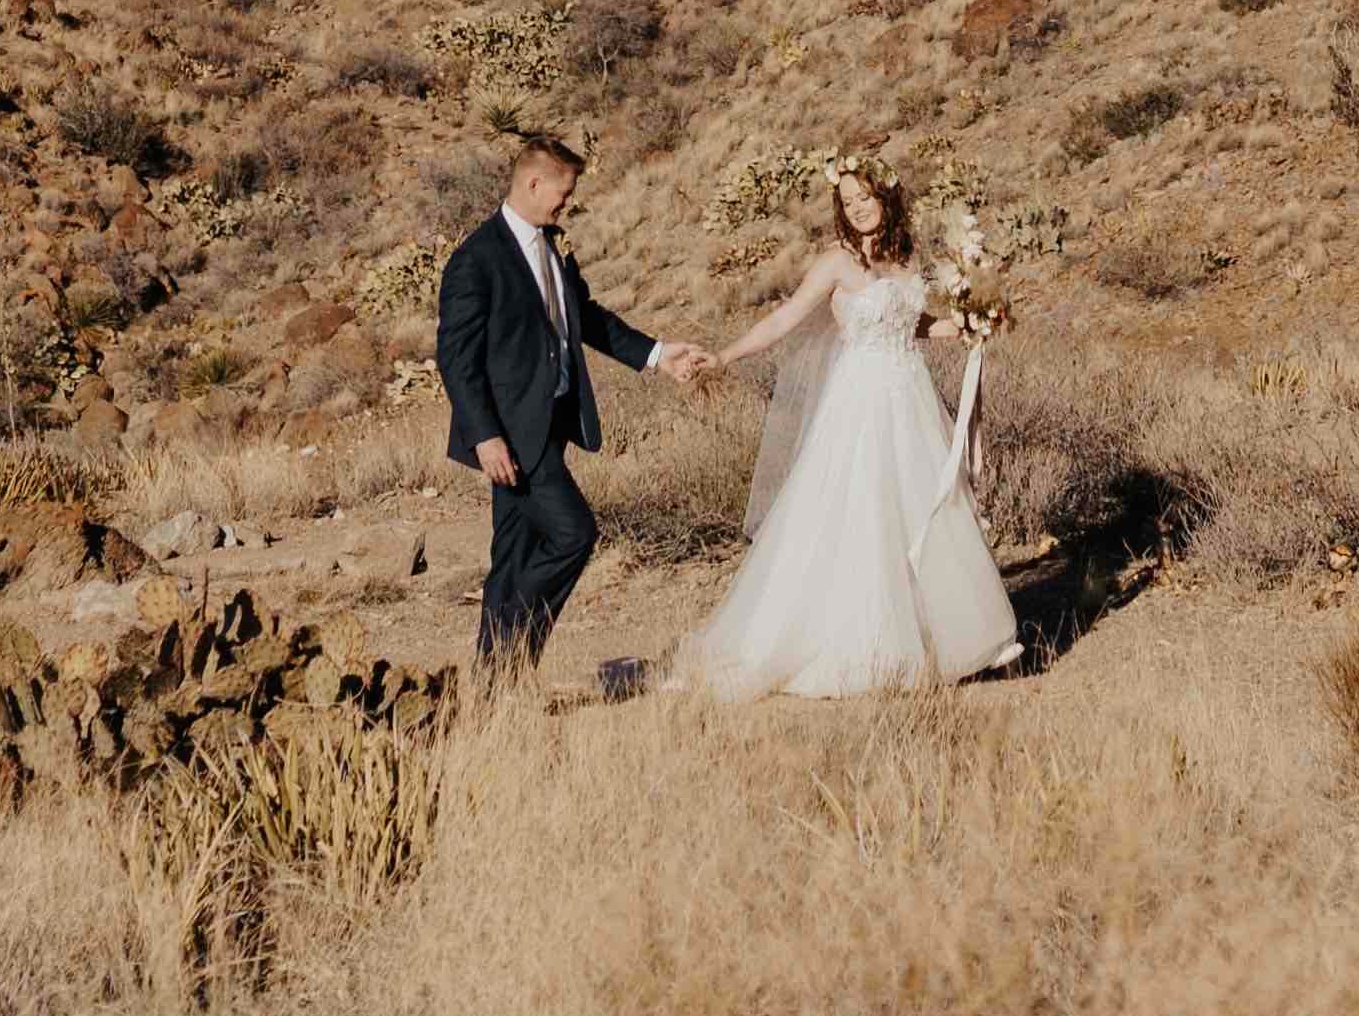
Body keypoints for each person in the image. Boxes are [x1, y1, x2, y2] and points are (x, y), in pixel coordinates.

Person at [670, 156, 1021, 700]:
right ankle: (864, 646)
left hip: (909, 400)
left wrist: (974, 321)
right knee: (860, 515)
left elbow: (916, 324)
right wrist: (724, 356)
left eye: (867, 198)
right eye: (849, 201)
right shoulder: (835, 264)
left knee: (922, 511)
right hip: (859, 406)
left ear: (887, 200)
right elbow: (784, 320)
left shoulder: (905, 262)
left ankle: (945, 642)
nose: (857, 208)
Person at [435, 133, 711, 672]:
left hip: (551, 424)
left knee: (512, 556)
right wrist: (484, 435)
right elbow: (456, 357)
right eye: (563, 192)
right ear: (533, 182)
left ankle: (495, 687)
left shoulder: (550, 246)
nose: (568, 202)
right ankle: (515, 647)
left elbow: (587, 320)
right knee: (574, 533)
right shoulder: (477, 259)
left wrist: (657, 355)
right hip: (512, 433)